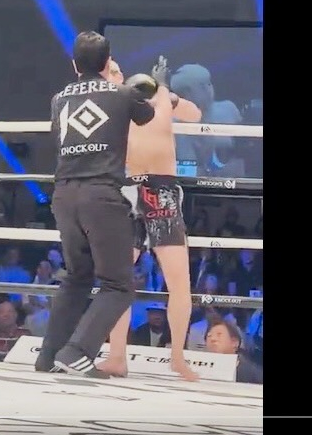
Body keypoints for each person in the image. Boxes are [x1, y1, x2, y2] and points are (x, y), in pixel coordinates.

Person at [35, 31, 155, 377]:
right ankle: (76, 352)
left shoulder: (58, 99)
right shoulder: (123, 93)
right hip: (100, 194)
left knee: (77, 277)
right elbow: (147, 115)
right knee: (118, 284)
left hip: (64, 195)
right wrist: (155, 90)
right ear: (107, 62)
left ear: (75, 64)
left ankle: (48, 356)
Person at [96, 57, 202, 381]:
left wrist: (167, 94)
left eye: (118, 70)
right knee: (118, 280)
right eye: (111, 71)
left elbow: (195, 115)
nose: (117, 74)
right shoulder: (107, 106)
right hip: (128, 190)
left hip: (162, 191)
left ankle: (178, 357)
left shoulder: (157, 98)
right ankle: (117, 356)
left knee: (179, 281)